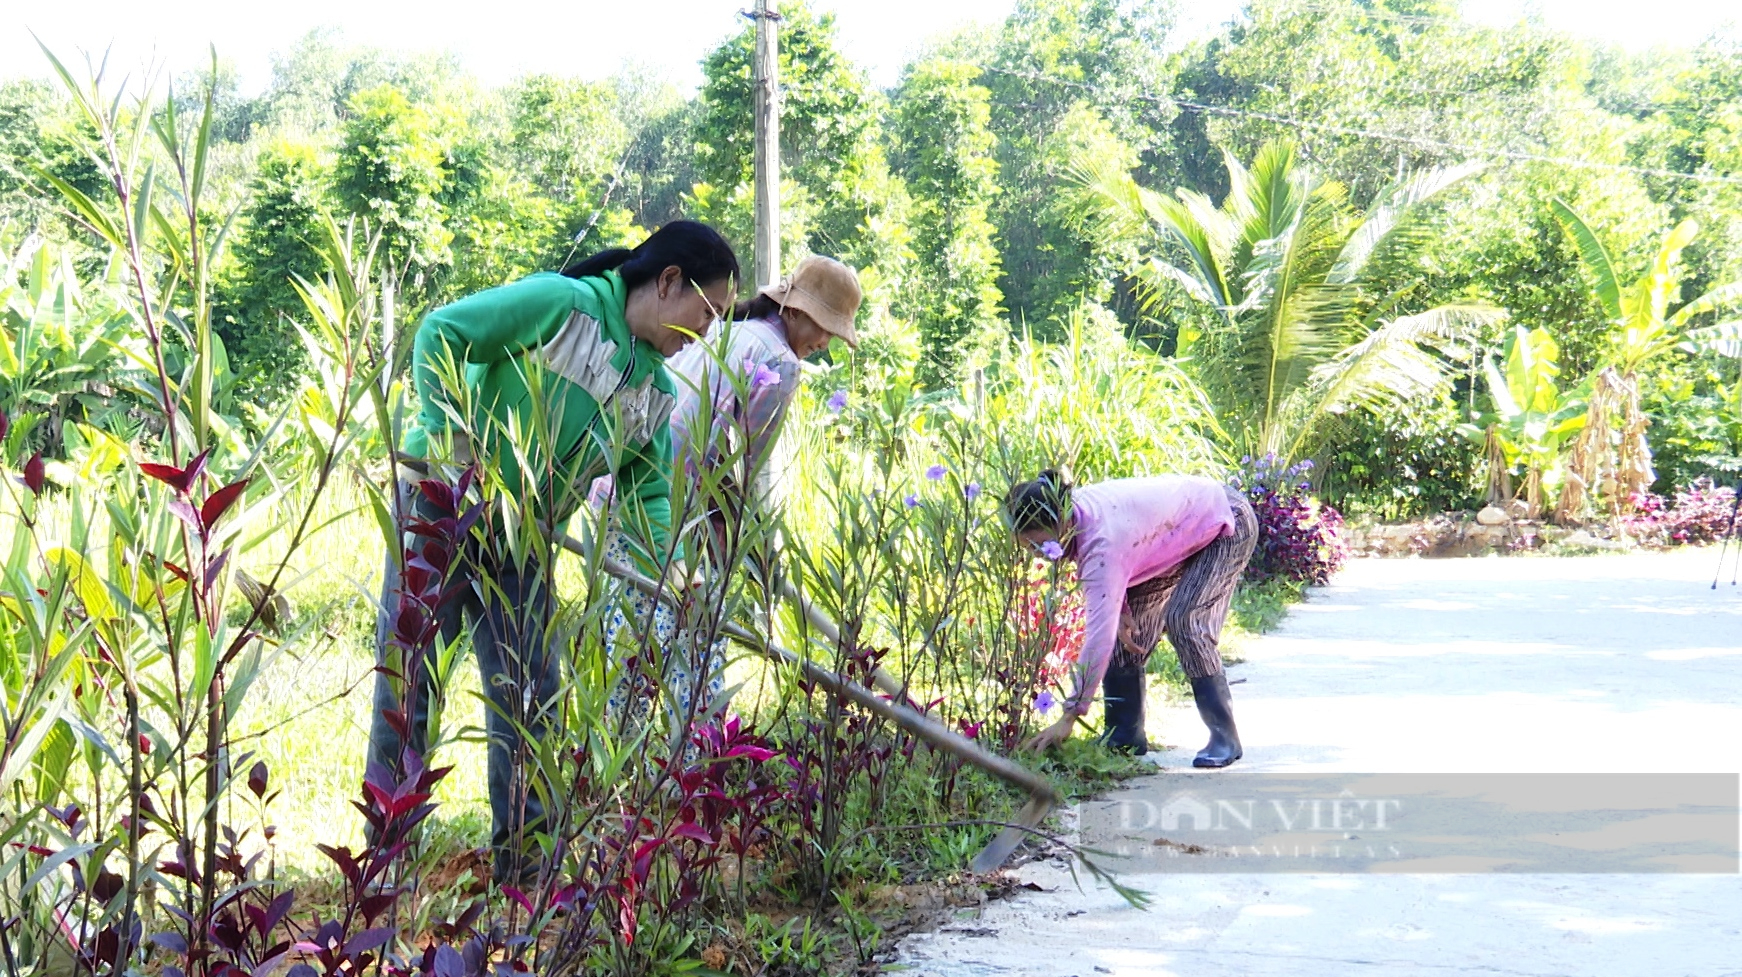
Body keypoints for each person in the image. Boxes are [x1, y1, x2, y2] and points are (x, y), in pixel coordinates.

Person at [367, 221, 739, 881]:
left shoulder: (653, 391)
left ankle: (527, 867)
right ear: (669, 281)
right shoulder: (562, 307)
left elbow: (648, 491)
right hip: (442, 507)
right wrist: (452, 446)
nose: (707, 331)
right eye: (706, 312)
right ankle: (386, 860)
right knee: (412, 677)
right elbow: (440, 333)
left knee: (532, 694)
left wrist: (669, 573)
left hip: (526, 533)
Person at [600, 255, 863, 721]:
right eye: (824, 328)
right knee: (698, 637)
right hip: (678, 508)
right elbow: (735, 466)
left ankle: (611, 773)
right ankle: (696, 762)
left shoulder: (723, 328)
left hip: (625, 488)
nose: (824, 344)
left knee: (632, 642)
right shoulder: (779, 363)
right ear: (794, 311)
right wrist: (735, 546)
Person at [1005, 469, 1258, 767]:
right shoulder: (1078, 516)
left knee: (1185, 620)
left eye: (1037, 545)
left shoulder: (1100, 541)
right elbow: (1129, 552)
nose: (1037, 555)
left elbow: (1099, 633)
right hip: (1173, 534)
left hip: (1224, 520)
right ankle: (1124, 734)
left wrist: (1070, 715)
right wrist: (1122, 608)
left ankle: (1224, 736)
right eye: (1027, 548)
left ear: (1058, 521)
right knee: (1130, 634)